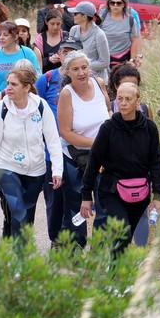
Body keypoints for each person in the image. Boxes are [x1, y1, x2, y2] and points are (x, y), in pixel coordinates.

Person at [81, 82, 160, 257]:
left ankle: (116, 275)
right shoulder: (108, 128)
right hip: (112, 191)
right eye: (120, 99)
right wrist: (86, 195)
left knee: (125, 238)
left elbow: (156, 162)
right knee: (123, 232)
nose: (123, 103)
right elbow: (94, 162)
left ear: (138, 101)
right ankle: (116, 278)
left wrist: (158, 195)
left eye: (128, 99)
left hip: (140, 192)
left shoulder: (149, 128)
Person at [0, 65, 63, 239]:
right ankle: (19, 259)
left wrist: (57, 170)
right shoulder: (2, 108)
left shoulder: (41, 106)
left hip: (36, 170)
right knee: (18, 210)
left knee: (27, 217)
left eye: (13, 85)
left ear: (26, 87)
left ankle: (23, 255)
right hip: (7, 166)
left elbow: (53, 140)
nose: (7, 88)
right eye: (8, 83)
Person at [56, 51, 111, 248]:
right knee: (77, 205)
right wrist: (95, 143)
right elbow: (65, 132)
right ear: (68, 72)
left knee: (104, 203)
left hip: (103, 156)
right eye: (76, 69)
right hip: (75, 157)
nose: (81, 73)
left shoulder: (99, 83)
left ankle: (99, 249)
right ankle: (76, 247)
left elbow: (109, 110)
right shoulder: (66, 94)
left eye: (84, 67)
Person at [34, 37, 83, 246]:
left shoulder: (86, 84)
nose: (68, 55)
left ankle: (76, 243)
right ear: (59, 55)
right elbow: (35, 107)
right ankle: (56, 239)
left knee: (76, 199)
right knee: (54, 201)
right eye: (64, 51)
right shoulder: (47, 79)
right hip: (50, 152)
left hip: (77, 152)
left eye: (73, 52)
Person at [106, 63, 154, 244]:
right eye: (126, 85)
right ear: (117, 87)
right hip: (116, 176)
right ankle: (116, 256)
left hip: (140, 173)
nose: (130, 89)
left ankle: (140, 257)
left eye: (135, 86)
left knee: (141, 214)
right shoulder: (109, 109)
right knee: (116, 218)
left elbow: (152, 140)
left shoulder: (144, 109)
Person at [0, 21, 40, 141]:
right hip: (0, 104)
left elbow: (37, 78)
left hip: (23, 105)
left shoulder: (27, 53)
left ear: (15, 36)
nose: (1, 37)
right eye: (0, 34)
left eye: (6, 34)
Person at [67, 1, 110, 83]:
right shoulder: (73, 30)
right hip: (77, 79)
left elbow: (105, 62)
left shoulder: (99, 34)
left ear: (84, 17)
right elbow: (70, 53)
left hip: (96, 81)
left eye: (76, 13)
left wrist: (82, 66)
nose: (73, 15)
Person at [100, 0, 143, 69]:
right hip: (105, 58)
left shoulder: (130, 19)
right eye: (112, 3)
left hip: (124, 58)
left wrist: (132, 60)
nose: (115, 5)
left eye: (119, 3)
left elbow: (135, 40)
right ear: (109, 5)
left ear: (123, 5)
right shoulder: (102, 18)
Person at [34, 8, 66, 73]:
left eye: (58, 24)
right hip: (45, 75)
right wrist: (49, 60)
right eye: (52, 24)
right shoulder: (40, 39)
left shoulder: (66, 36)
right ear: (46, 22)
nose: (55, 27)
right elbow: (35, 62)